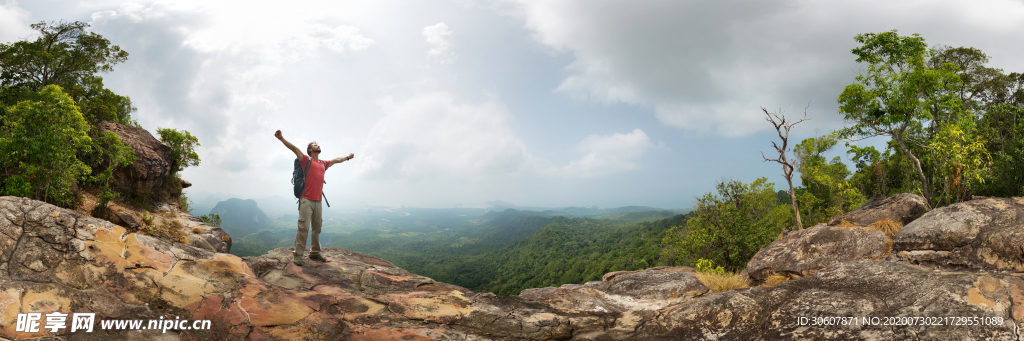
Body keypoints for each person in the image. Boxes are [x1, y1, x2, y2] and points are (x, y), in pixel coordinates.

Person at [274, 130, 354, 266]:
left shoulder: (323, 163)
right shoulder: (306, 160)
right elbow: (294, 149)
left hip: (318, 201)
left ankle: (315, 252)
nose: (318, 145)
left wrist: (347, 157)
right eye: (315, 145)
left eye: (318, 144)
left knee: (317, 228)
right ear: (310, 149)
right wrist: (281, 138)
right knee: (303, 228)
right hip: (306, 200)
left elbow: (336, 160)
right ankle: (298, 255)